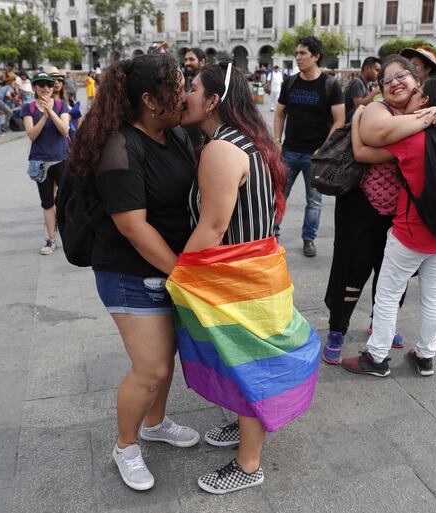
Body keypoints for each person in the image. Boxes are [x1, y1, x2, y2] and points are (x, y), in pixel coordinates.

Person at [175, 62, 320, 494]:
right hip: (258, 269)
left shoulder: (220, 149)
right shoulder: (253, 141)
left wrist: (179, 273)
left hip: (235, 275)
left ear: (214, 100)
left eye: (193, 87)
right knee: (248, 357)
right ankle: (245, 429)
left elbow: (214, 226)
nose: (185, 95)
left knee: (249, 363)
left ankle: (249, 463)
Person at [66, 54, 200, 492]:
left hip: (170, 269)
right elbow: (132, 225)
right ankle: (125, 445)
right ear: (149, 99)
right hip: (129, 272)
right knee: (152, 368)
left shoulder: (174, 132)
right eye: (178, 87)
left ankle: (154, 424)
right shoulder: (120, 146)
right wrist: (182, 271)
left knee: (167, 358)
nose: (183, 94)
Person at [340, 76, 436, 377]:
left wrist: (356, 120)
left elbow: (363, 153)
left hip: (412, 233)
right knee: (434, 295)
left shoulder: (412, 138)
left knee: (388, 293)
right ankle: (426, 355)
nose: (411, 97)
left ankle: (377, 357)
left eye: (417, 94)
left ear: (426, 103)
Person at [273, 35, 345, 257]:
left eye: (303, 53)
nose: (298, 57)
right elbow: (279, 113)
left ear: (316, 56)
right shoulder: (290, 82)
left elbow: (339, 120)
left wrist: (324, 149)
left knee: (314, 200)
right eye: (297, 53)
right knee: (279, 196)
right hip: (289, 151)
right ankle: (272, 237)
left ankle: (309, 239)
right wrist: (276, 141)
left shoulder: (330, 85)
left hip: (315, 157)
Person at [21, 72, 71, 255]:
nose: (46, 88)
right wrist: (43, 115)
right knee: (47, 203)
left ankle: (70, 236)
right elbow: (32, 134)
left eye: (49, 85)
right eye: (41, 85)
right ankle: (50, 239)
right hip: (40, 162)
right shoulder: (28, 108)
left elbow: (64, 129)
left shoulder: (61, 105)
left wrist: (50, 111)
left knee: (66, 200)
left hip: (61, 159)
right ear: (34, 88)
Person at [182, 48, 207, 150]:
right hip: (188, 138)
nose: (187, 63)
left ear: (202, 62)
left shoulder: (210, 83)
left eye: (191, 59)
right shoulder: (184, 81)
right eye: (186, 60)